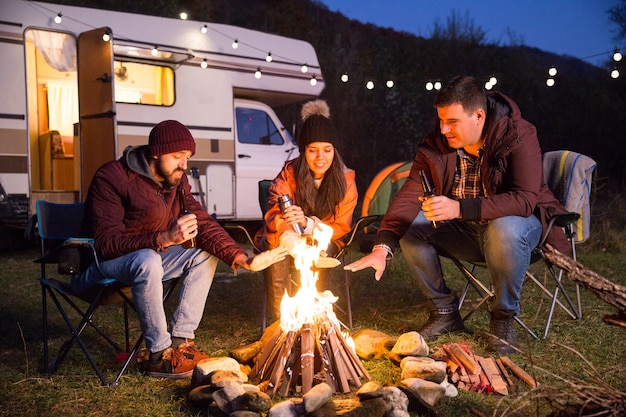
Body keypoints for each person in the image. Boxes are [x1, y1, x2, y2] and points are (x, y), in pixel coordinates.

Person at [345, 76, 569, 355]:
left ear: (478, 116)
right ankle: (445, 313)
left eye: (452, 122)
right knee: (413, 226)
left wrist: (459, 208)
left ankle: (502, 319)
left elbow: (524, 200)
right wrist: (383, 246)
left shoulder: (518, 135)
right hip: (467, 231)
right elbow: (408, 194)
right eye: (440, 120)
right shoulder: (437, 144)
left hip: (521, 231)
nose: (443, 129)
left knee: (504, 228)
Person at [72, 120, 287, 379]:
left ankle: (180, 343)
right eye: (177, 157)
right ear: (155, 153)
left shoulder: (176, 182)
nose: (184, 165)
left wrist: (242, 257)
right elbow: (106, 244)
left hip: (146, 263)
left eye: (186, 157)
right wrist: (163, 238)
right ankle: (159, 356)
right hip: (99, 269)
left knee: (204, 252)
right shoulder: (112, 177)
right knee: (148, 258)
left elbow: (203, 223)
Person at [255, 99, 358, 320]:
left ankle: (311, 316)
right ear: (304, 152)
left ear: (334, 150)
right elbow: (275, 211)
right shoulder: (289, 173)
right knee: (277, 253)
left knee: (318, 251)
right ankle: (280, 323)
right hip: (286, 237)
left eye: (327, 150)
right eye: (313, 151)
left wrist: (308, 224)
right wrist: (291, 235)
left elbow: (340, 225)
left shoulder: (345, 179)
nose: (321, 158)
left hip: (324, 240)